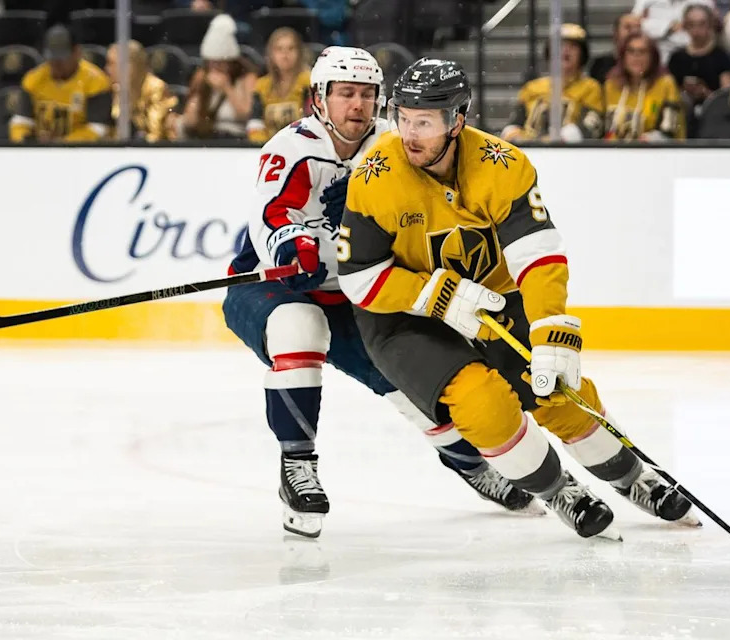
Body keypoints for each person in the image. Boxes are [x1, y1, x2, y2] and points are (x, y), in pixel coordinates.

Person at [338, 58, 700, 539]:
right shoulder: (376, 174)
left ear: (457, 120)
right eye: (403, 118)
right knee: (482, 403)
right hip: (404, 318)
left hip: (491, 297)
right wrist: (435, 296)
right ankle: (557, 491)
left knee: (556, 386)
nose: (409, 134)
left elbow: (537, 253)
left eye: (423, 121)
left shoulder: (503, 165)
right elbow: (358, 276)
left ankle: (634, 477)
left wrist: (550, 326)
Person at [222, 47, 541, 539]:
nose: (358, 105)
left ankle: (473, 466)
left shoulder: (392, 149)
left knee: (414, 386)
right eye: (346, 93)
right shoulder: (291, 148)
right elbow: (270, 221)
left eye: (368, 95)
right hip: (273, 286)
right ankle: (297, 467)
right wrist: (295, 244)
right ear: (318, 99)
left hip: (354, 293)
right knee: (298, 328)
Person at [9, 24, 112, 143]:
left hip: (80, 152)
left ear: (77, 53)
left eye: (61, 59)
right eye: (52, 59)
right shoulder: (33, 80)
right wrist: (27, 141)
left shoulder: (95, 82)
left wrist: (63, 144)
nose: (56, 65)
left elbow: (97, 129)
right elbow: (20, 122)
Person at [501, 24, 603, 144]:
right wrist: (514, 136)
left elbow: (592, 125)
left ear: (582, 55)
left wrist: (559, 140)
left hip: (570, 153)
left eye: (573, 46)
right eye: (560, 45)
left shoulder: (590, 87)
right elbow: (515, 123)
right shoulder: (532, 87)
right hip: (531, 151)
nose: (566, 50)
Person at [178, 14, 257, 140]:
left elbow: (246, 114)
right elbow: (190, 120)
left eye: (220, 63)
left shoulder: (246, 78)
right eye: (211, 62)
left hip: (236, 138)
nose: (215, 67)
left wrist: (227, 88)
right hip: (207, 137)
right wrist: (199, 92)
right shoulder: (201, 76)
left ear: (231, 62)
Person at [667, 4, 730, 134]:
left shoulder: (721, 56)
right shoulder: (677, 57)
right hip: (682, 117)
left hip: (715, 116)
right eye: (691, 24)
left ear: (710, 25)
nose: (696, 30)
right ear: (685, 26)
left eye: (701, 24)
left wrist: (706, 93)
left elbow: (728, 97)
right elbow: (668, 91)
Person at [604, 34, 685, 141]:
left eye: (642, 52)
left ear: (653, 57)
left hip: (657, 151)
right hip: (613, 152)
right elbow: (602, 127)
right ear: (623, 56)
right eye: (631, 51)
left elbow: (669, 129)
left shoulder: (666, 84)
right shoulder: (611, 85)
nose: (636, 56)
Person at [247, 27, 312, 144]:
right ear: (271, 54)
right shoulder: (261, 86)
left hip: (302, 146)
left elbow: (313, 122)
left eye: (291, 48)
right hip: (268, 147)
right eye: (279, 49)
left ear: (299, 52)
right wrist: (264, 145)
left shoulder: (309, 82)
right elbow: (255, 123)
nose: (285, 54)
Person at [106, 40, 179, 142]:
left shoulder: (156, 88)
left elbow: (157, 134)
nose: (107, 69)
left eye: (112, 64)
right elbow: (111, 133)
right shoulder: (114, 89)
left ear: (130, 66)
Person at [632, 0, 716, 63]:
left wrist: (648, 24)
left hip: (693, 56)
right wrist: (668, 27)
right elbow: (633, 24)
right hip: (655, 56)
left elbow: (709, 30)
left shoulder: (704, 2)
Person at [588, 13, 642, 85]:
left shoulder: (651, 65)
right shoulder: (600, 64)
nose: (634, 32)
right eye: (628, 27)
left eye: (638, 27)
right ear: (616, 33)